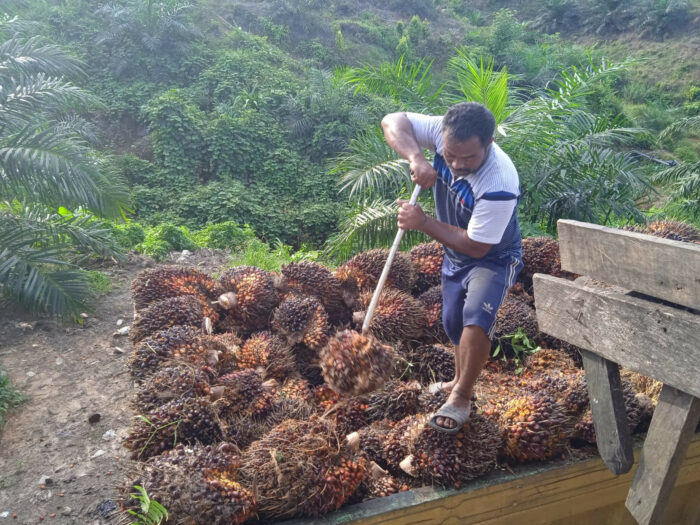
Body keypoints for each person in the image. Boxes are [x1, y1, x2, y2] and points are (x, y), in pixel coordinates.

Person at [381, 102, 523, 434]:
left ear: (488, 144)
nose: (457, 165)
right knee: (453, 320)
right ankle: (457, 379)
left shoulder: (499, 183)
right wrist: (417, 158)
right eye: (450, 155)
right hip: (455, 253)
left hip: (494, 256)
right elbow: (392, 121)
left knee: (475, 314)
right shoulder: (441, 131)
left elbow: (478, 245)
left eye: (469, 158)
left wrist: (423, 222)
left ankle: (462, 395)